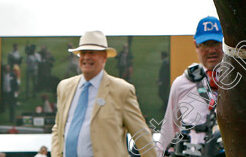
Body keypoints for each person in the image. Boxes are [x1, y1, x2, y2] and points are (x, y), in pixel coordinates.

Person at [51, 31, 157, 157]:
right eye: (83, 53)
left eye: (92, 52)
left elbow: (141, 134)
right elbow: (58, 128)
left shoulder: (121, 90)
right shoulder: (64, 87)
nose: (86, 57)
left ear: (104, 57)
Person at [157, 17, 224, 155]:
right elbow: (169, 128)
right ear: (196, 45)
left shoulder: (238, 80)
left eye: (216, 43)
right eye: (206, 44)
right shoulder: (181, 84)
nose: (212, 50)